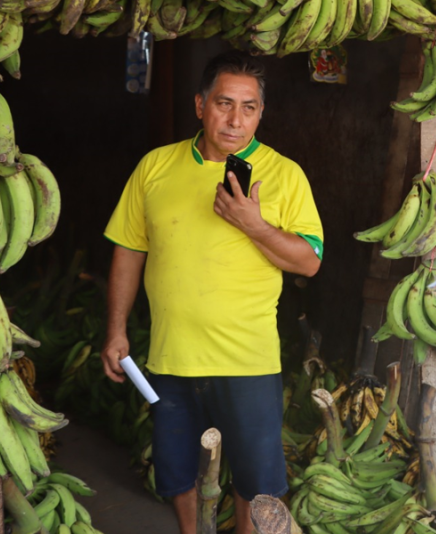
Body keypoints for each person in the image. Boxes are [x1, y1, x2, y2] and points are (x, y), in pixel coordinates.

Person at [101, 51, 323, 534]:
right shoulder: (156, 167)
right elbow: (128, 251)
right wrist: (116, 330)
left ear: (261, 114)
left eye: (248, 107)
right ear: (200, 105)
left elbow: (309, 260)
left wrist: (254, 225)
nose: (235, 119)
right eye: (224, 104)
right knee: (176, 469)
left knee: (256, 478)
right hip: (171, 358)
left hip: (248, 360)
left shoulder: (284, 174)